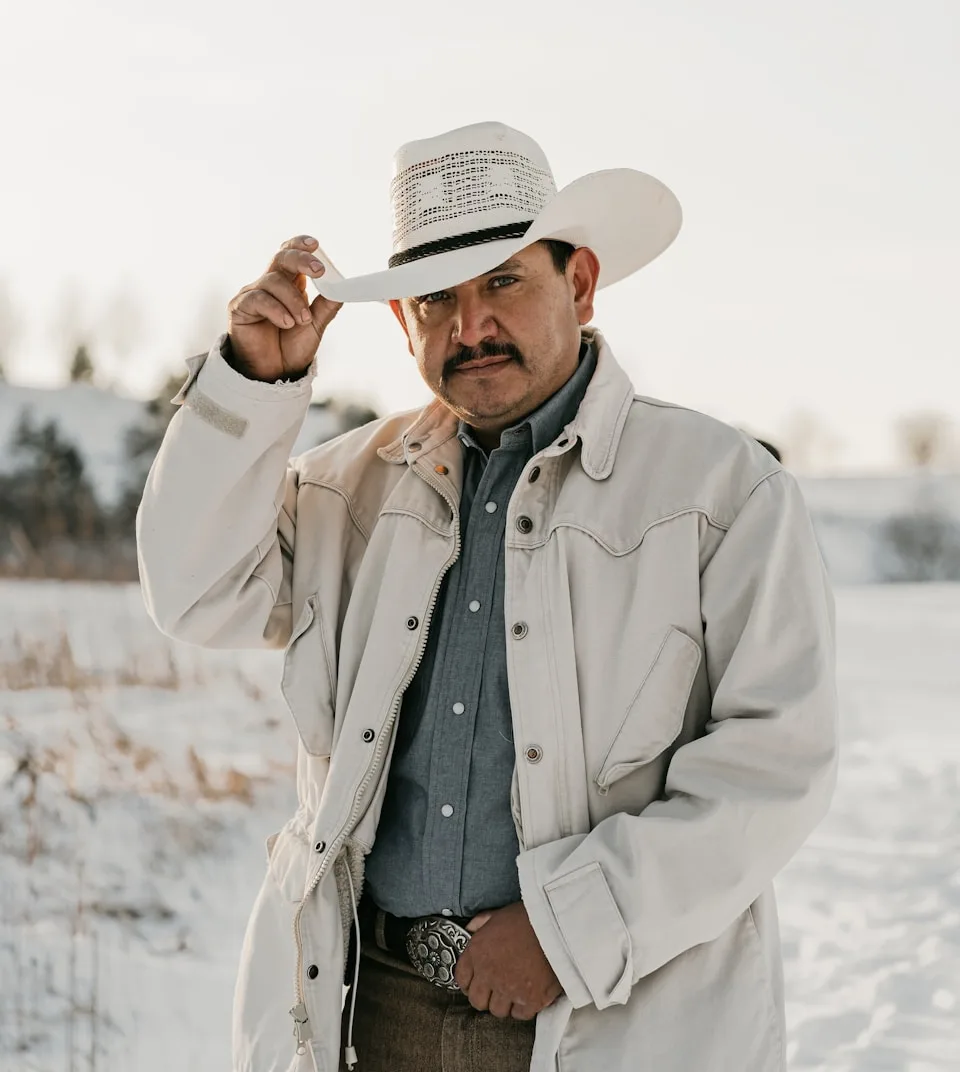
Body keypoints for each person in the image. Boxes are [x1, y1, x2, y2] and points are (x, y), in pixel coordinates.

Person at [138, 122, 838, 1072]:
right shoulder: (349, 488)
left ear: (579, 283)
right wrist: (257, 384)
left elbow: (776, 763)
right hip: (373, 1010)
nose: (471, 327)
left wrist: (569, 929)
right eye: (436, 300)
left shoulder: (722, 490)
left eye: (503, 281)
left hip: (623, 1014)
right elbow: (194, 592)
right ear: (402, 324)